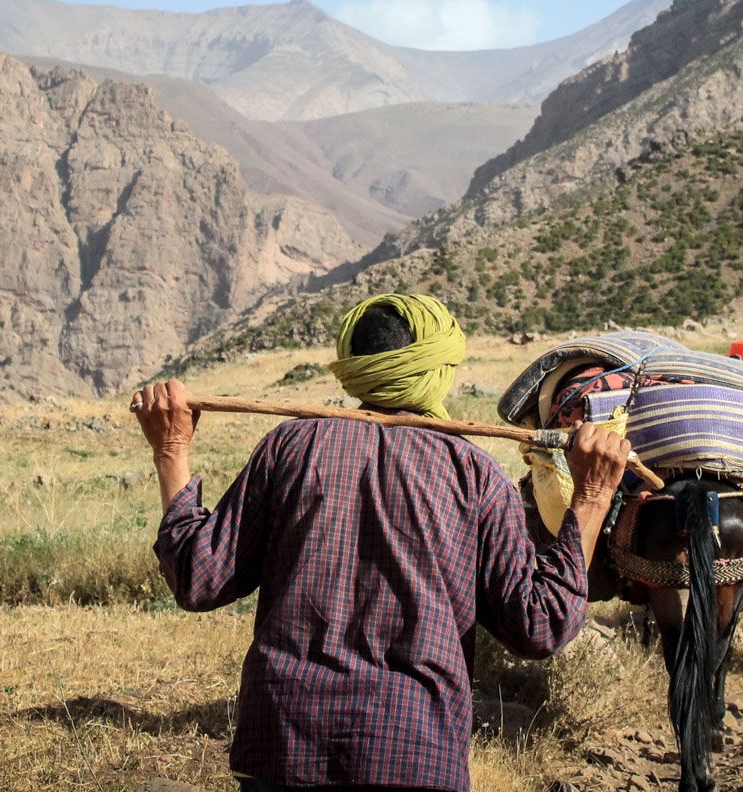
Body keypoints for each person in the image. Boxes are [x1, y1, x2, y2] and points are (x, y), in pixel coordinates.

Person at [132, 293, 630, 792]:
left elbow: (198, 578)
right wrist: (591, 497)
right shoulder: (472, 473)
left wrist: (171, 450)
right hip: (413, 753)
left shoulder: (289, 448)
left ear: (353, 367)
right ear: (441, 368)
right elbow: (540, 625)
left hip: (282, 747)